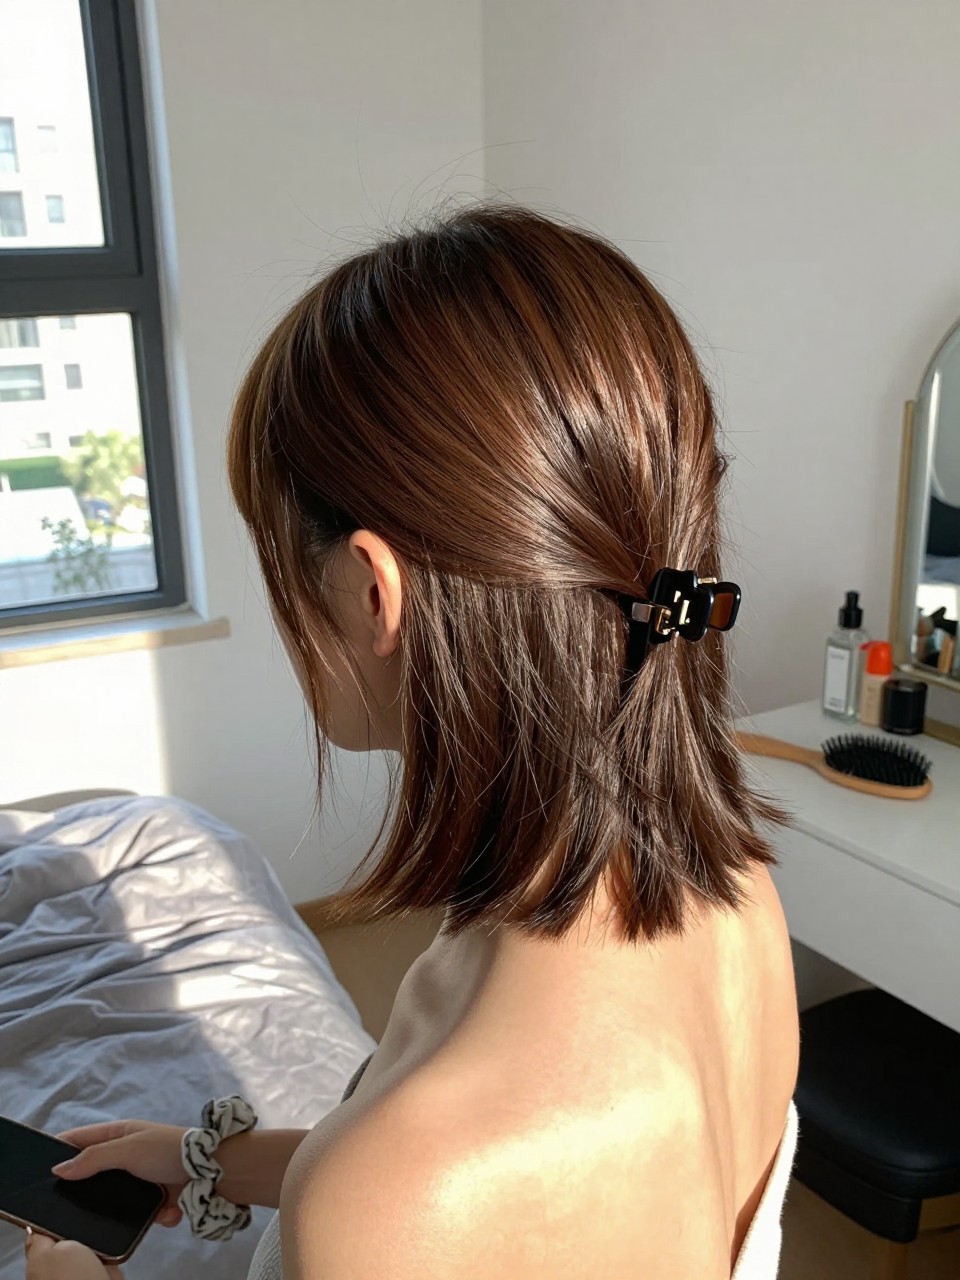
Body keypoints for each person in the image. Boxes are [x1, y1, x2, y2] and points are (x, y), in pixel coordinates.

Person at [27, 205, 800, 1280]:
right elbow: (524, 1204)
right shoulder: (732, 892)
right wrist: (205, 1159)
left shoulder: (405, 1183)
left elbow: (428, 1193)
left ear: (370, 587)